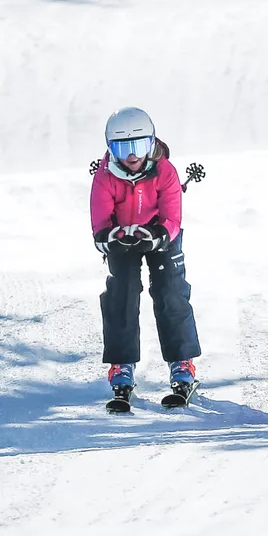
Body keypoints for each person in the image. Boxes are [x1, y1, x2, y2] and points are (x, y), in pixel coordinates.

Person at [90, 106, 201, 406]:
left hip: (160, 234)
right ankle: (121, 364)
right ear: (110, 148)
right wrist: (109, 237)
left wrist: (160, 234)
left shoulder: (165, 171)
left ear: (151, 143)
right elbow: (99, 220)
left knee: (171, 291)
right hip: (122, 236)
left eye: (138, 146)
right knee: (120, 293)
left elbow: (173, 216)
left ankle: (182, 362)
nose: (131, 156)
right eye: (122, 148)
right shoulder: (104, 176)